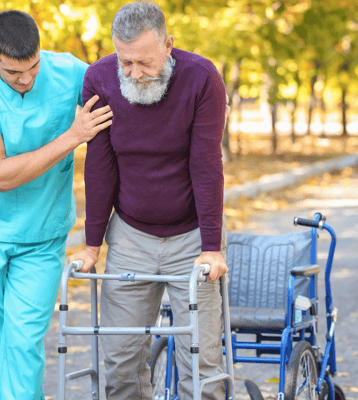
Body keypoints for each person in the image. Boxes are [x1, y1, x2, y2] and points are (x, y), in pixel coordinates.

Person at [67, 1, 228, 399]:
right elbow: (100, 165)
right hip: (131, 236)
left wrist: (211, 247)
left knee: (200, 362)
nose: (135, 74)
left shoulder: (201, 78)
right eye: (126, 62)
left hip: (191, 238)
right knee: (121, 362)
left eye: (144, 62)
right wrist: (91, 245)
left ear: (168, 44)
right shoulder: (100, 80)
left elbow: (206, 165)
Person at [0, 10, 112, 400]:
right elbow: (1, 176)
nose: (27, 79)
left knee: (22, 344)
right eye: (13, 73)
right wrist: (72, 137)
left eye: (33, 66)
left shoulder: (69, 71)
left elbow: (123, 93)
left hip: (41, 236)